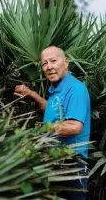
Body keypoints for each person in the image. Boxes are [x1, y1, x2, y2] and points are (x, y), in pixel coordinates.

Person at [14, 46, 91, 200]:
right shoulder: (56, 90)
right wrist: (32, 94)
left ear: (66, 62)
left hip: (70, 164)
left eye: (53, 61)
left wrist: (38, 132)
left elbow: (74, 127)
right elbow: (52, 108)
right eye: (44, 63)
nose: (49, 66)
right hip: (53, 161)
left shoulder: (75, 89)